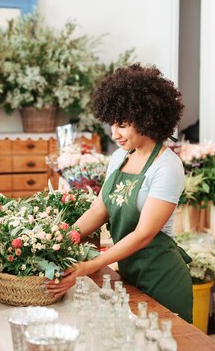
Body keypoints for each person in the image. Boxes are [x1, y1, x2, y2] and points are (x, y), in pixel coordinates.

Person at [46, 63, 193, 323]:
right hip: (130, 273)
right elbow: (98, 210)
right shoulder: (119, 158)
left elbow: (143, 234)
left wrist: (89, 267)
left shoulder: (167, 167)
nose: (114, 134)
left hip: (162, 278)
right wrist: (60, 242)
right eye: (112, 124)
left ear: (146, 119)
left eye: (122, 125)